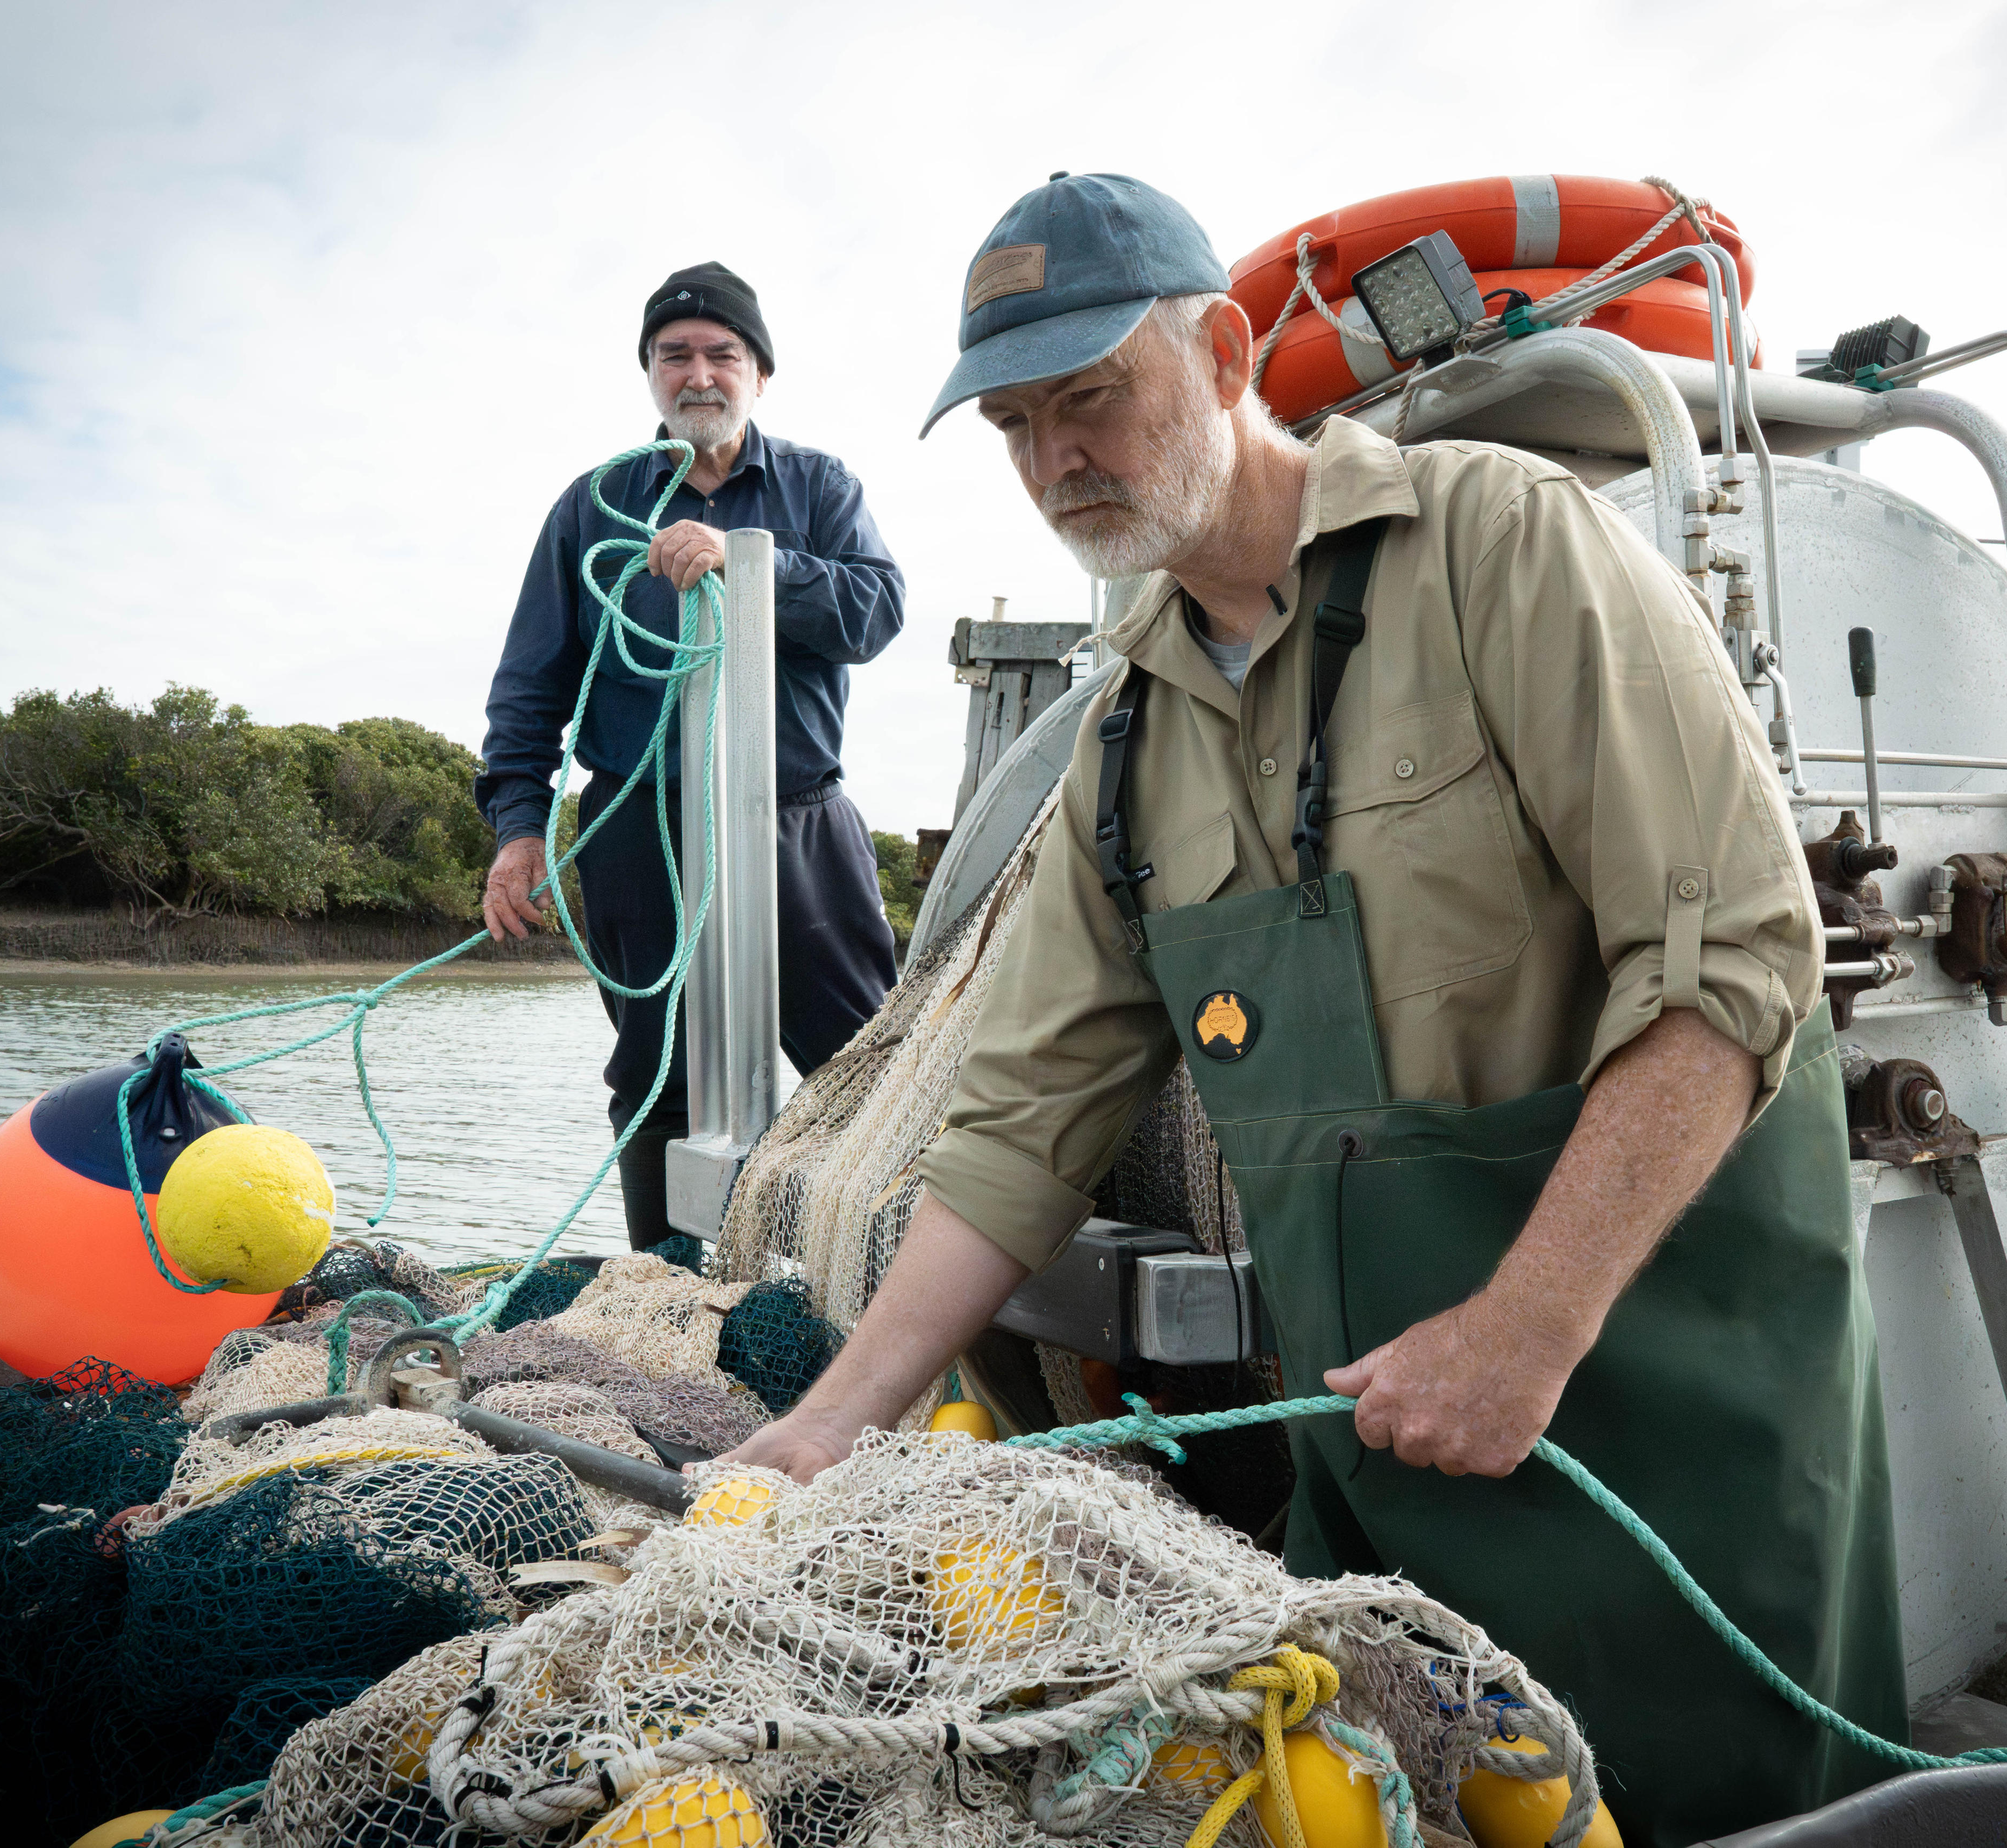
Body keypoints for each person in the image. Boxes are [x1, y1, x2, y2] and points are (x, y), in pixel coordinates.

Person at [728, 174, 1907, 1843]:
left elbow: (1738, 958)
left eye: (1091, 397)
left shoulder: (1503, 540)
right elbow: (1013, 1127)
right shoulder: (1124, 738)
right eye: (1015, 422)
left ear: (1221, 352)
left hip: (1671, 1434)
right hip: (1385, 1473)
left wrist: (1529, 1325)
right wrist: (833, 1421)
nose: (1058, 457)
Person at [475, 261, 904, 1251]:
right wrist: (518, 829)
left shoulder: (822, 486)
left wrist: (751, 563)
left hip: (798, 816)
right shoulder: (592, 505)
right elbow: (531, 682)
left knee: (871, 1058)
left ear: (760, 373)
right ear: (652, 377)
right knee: (654, 1066)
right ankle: (667, 1307)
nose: (699, 373)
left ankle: (881, 1287)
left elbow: (876, 611)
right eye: (676, 356)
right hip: (635, 824)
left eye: (723, 354)